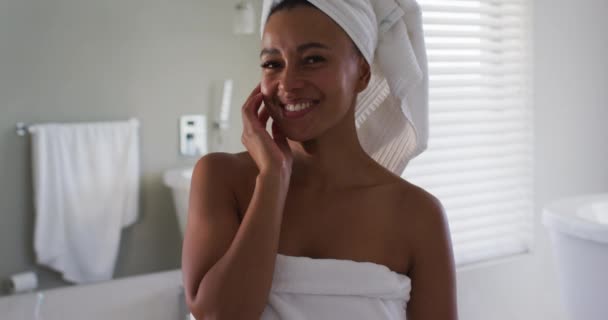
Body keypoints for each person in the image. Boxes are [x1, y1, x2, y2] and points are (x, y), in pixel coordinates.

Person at [182, 0, 457, 319]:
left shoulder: (417, 215)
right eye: (273, 64)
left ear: (362, 74)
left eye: (313, 59)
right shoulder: (222, 178)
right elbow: (219, 316)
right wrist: (271, 181)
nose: (287, 84)